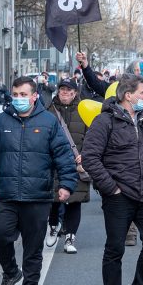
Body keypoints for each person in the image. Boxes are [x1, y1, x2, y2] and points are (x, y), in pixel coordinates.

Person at [0, 76, 77, 285]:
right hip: (6, 194)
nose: (18, 99)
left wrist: (66, 185)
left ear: (34, 96)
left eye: (23, 95)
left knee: (33, 246)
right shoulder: (1, 122)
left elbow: (64, 157)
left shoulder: (49, 122)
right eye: (15, 94)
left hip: (38, 196)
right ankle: (10, 271)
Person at [81, 74, 143, 285]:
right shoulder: (104, 121)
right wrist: (111, 187)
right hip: (119, 195)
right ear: (127, 95)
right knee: (115, 247)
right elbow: (90, 157)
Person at [45, 79, 91, 254]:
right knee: (54, 199)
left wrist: (85, 155)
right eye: (62, 90)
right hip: (54, 163)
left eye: (68, 90)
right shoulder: (49, 110)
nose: (64, 93)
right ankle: (54, 225)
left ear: (75, 93)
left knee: (74, 201)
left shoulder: (83, 111)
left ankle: (71, 236)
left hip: (76, 164)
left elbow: (92, 135)